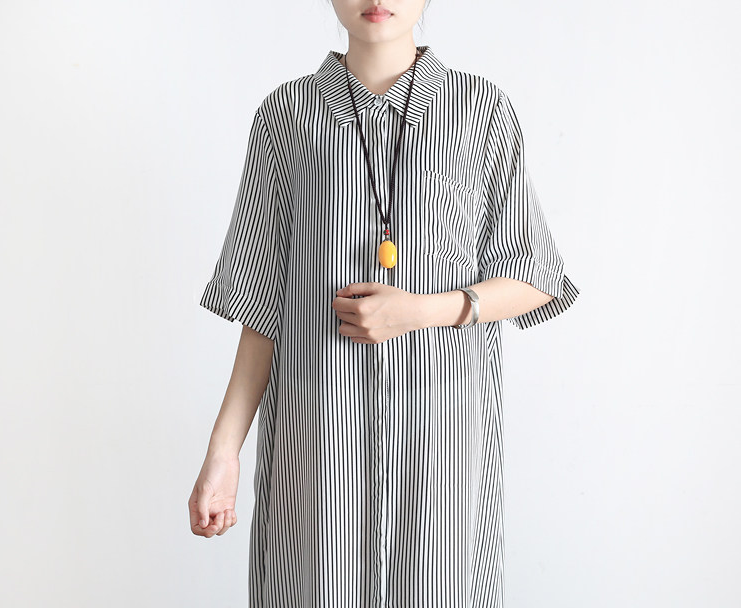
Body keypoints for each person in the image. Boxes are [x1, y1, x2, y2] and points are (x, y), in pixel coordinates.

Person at [189, 0, 580, 606]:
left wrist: (422, 311)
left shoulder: (480, 111)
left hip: (442, 454)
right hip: (315, 454)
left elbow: (535, 277)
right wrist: (223, 453)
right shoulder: (286, 116)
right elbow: (262, 309)